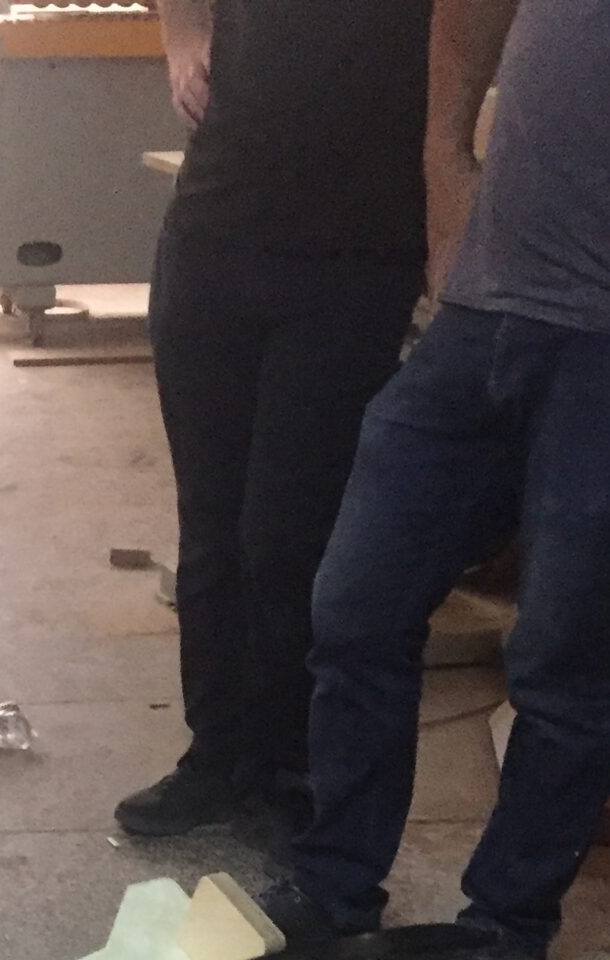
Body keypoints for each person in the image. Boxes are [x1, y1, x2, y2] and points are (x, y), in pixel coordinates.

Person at [270, 0, 610, 955]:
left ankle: (504, 932)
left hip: (604, 353)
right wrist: (444, 159)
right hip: (483, 315)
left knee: (565, 667)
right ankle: (334, 886)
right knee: (357, 604)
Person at [115, 0, 431, 843]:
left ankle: (290, 765)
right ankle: (216, 757)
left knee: (289, 534)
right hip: (216, 229)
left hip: (355, 255)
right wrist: (183, 36)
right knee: (211, 525)